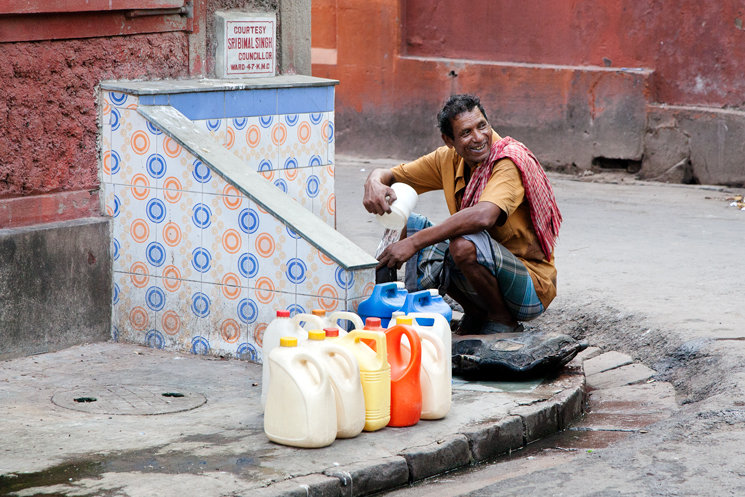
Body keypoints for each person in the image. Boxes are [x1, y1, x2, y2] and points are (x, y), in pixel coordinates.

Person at [363, 94, 561, 335]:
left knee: (464, 244)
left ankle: (502, 321)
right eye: (466, 133)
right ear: (449, 140)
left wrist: (413, 243)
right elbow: (391, 176)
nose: (478, 138)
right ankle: (437, 310)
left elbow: (482, 217)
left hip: (530, 286)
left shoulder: (508, 160)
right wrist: (373, 181)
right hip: (486, 268)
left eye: (482, 126)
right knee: (406, 221)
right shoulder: (448, 158)